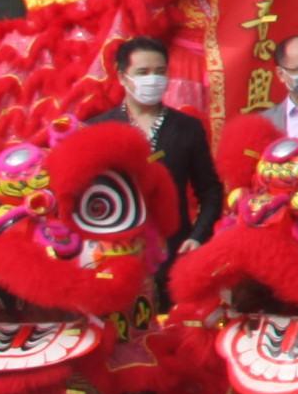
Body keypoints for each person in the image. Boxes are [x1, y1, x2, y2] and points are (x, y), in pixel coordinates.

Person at [90, 34, 219, 252]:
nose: (153, 79)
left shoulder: (188, 128)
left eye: (160, 72)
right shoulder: (98, 128)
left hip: (175, 249)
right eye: (142, 73)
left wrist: (198, 236)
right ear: (122, 77)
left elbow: (210, 191)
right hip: (116, 251)